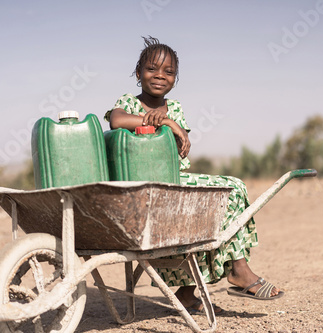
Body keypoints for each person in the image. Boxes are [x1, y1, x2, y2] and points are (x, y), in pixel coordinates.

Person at [104, 36, 283, 314]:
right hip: (145, 187)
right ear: (138, 73)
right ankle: (239, 270)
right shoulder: (130, 102)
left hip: (173, 182)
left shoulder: (175, 108)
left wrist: (175, 126)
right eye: (152, 69)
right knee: (231, 190)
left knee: (212, 211)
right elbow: (117, 121)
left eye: (169, 72)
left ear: (175, 78)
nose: (160, 76)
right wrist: (165, 122)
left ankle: (190, 293)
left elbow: (182, 147)